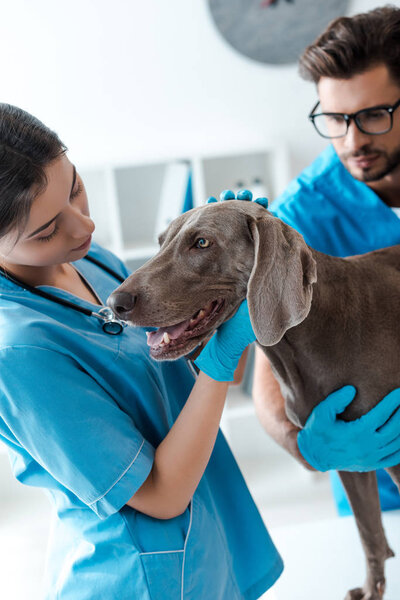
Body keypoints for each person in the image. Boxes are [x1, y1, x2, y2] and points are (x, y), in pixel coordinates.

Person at [0, 104, 398, 598]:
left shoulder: (92, 263)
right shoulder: (16, 353)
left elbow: (159, 382)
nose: (83, 228)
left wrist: (230, 259)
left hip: (209, 544)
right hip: (139, 578)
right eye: (46, 230)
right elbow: (160, 496)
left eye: (75, 188)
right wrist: (220, 356)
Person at [253, 5, 400, 513]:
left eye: (374, 116)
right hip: (385, 489)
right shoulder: (302, 218)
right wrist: (306, 447)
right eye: (334, 119)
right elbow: (268, 375)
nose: (352, 140)